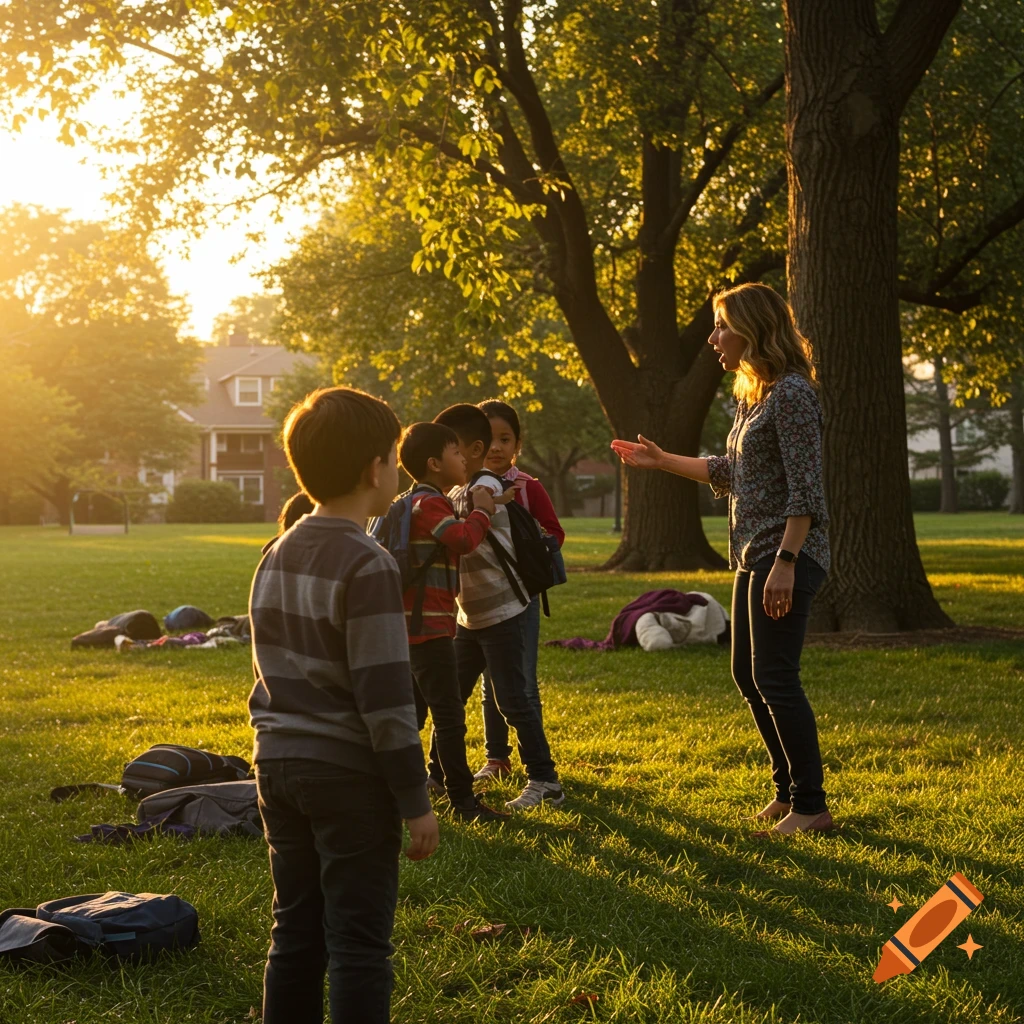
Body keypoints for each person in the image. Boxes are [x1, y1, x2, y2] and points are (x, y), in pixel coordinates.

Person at [611, 282, 834, 837]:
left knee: (775, 675)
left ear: (754, 329)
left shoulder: (792, 394)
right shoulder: (752, 396)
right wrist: (661, 461)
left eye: (721, 325)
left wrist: (786, 560)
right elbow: (730, 473)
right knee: (747, 671)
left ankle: (812, 806)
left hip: (783, 553)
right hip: (751, 552)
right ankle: (786, 792)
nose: (713, 338)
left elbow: (807, 492)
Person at [249, 386, 439, 1024]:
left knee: (295, 931)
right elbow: (387, 703)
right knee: (359, 942)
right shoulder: (369, 561)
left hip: (275, 767)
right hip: (348, 777)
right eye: (394, 457)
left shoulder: (275, 552)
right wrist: (416, 802)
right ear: (373, 469)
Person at [433, 403, 565, 810]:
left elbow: (461, 534)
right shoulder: (459, 490)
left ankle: (545, 781)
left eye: (451, 451)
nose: (445, 461)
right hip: (470, 615)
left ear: (472, 451)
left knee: (513, 700)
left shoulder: (484, 486)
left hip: (503, 613)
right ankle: (436, 775)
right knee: (449, 697)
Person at [396, 421, 508, 822]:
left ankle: (400, 790)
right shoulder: (431, 504)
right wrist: (482, 511)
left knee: (413, 715)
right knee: (448, 717)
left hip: (406, 628)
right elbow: (461, 539)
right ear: (433, 463)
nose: (463, 458)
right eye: (455, 453)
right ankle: (462, 800)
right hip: (431, 629)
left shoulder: (405, 503)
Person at [473, 399, 565, 782]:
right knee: (488, 685)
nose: (496, 447)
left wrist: (535, 544)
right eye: (488, 439)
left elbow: (555, 532)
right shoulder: (468, 489)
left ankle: (538, 768)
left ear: (517, 444)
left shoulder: (527, 488)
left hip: (522, 599)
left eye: (505, 439)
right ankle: (496, 758)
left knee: (521, 684)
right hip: (480, 601)